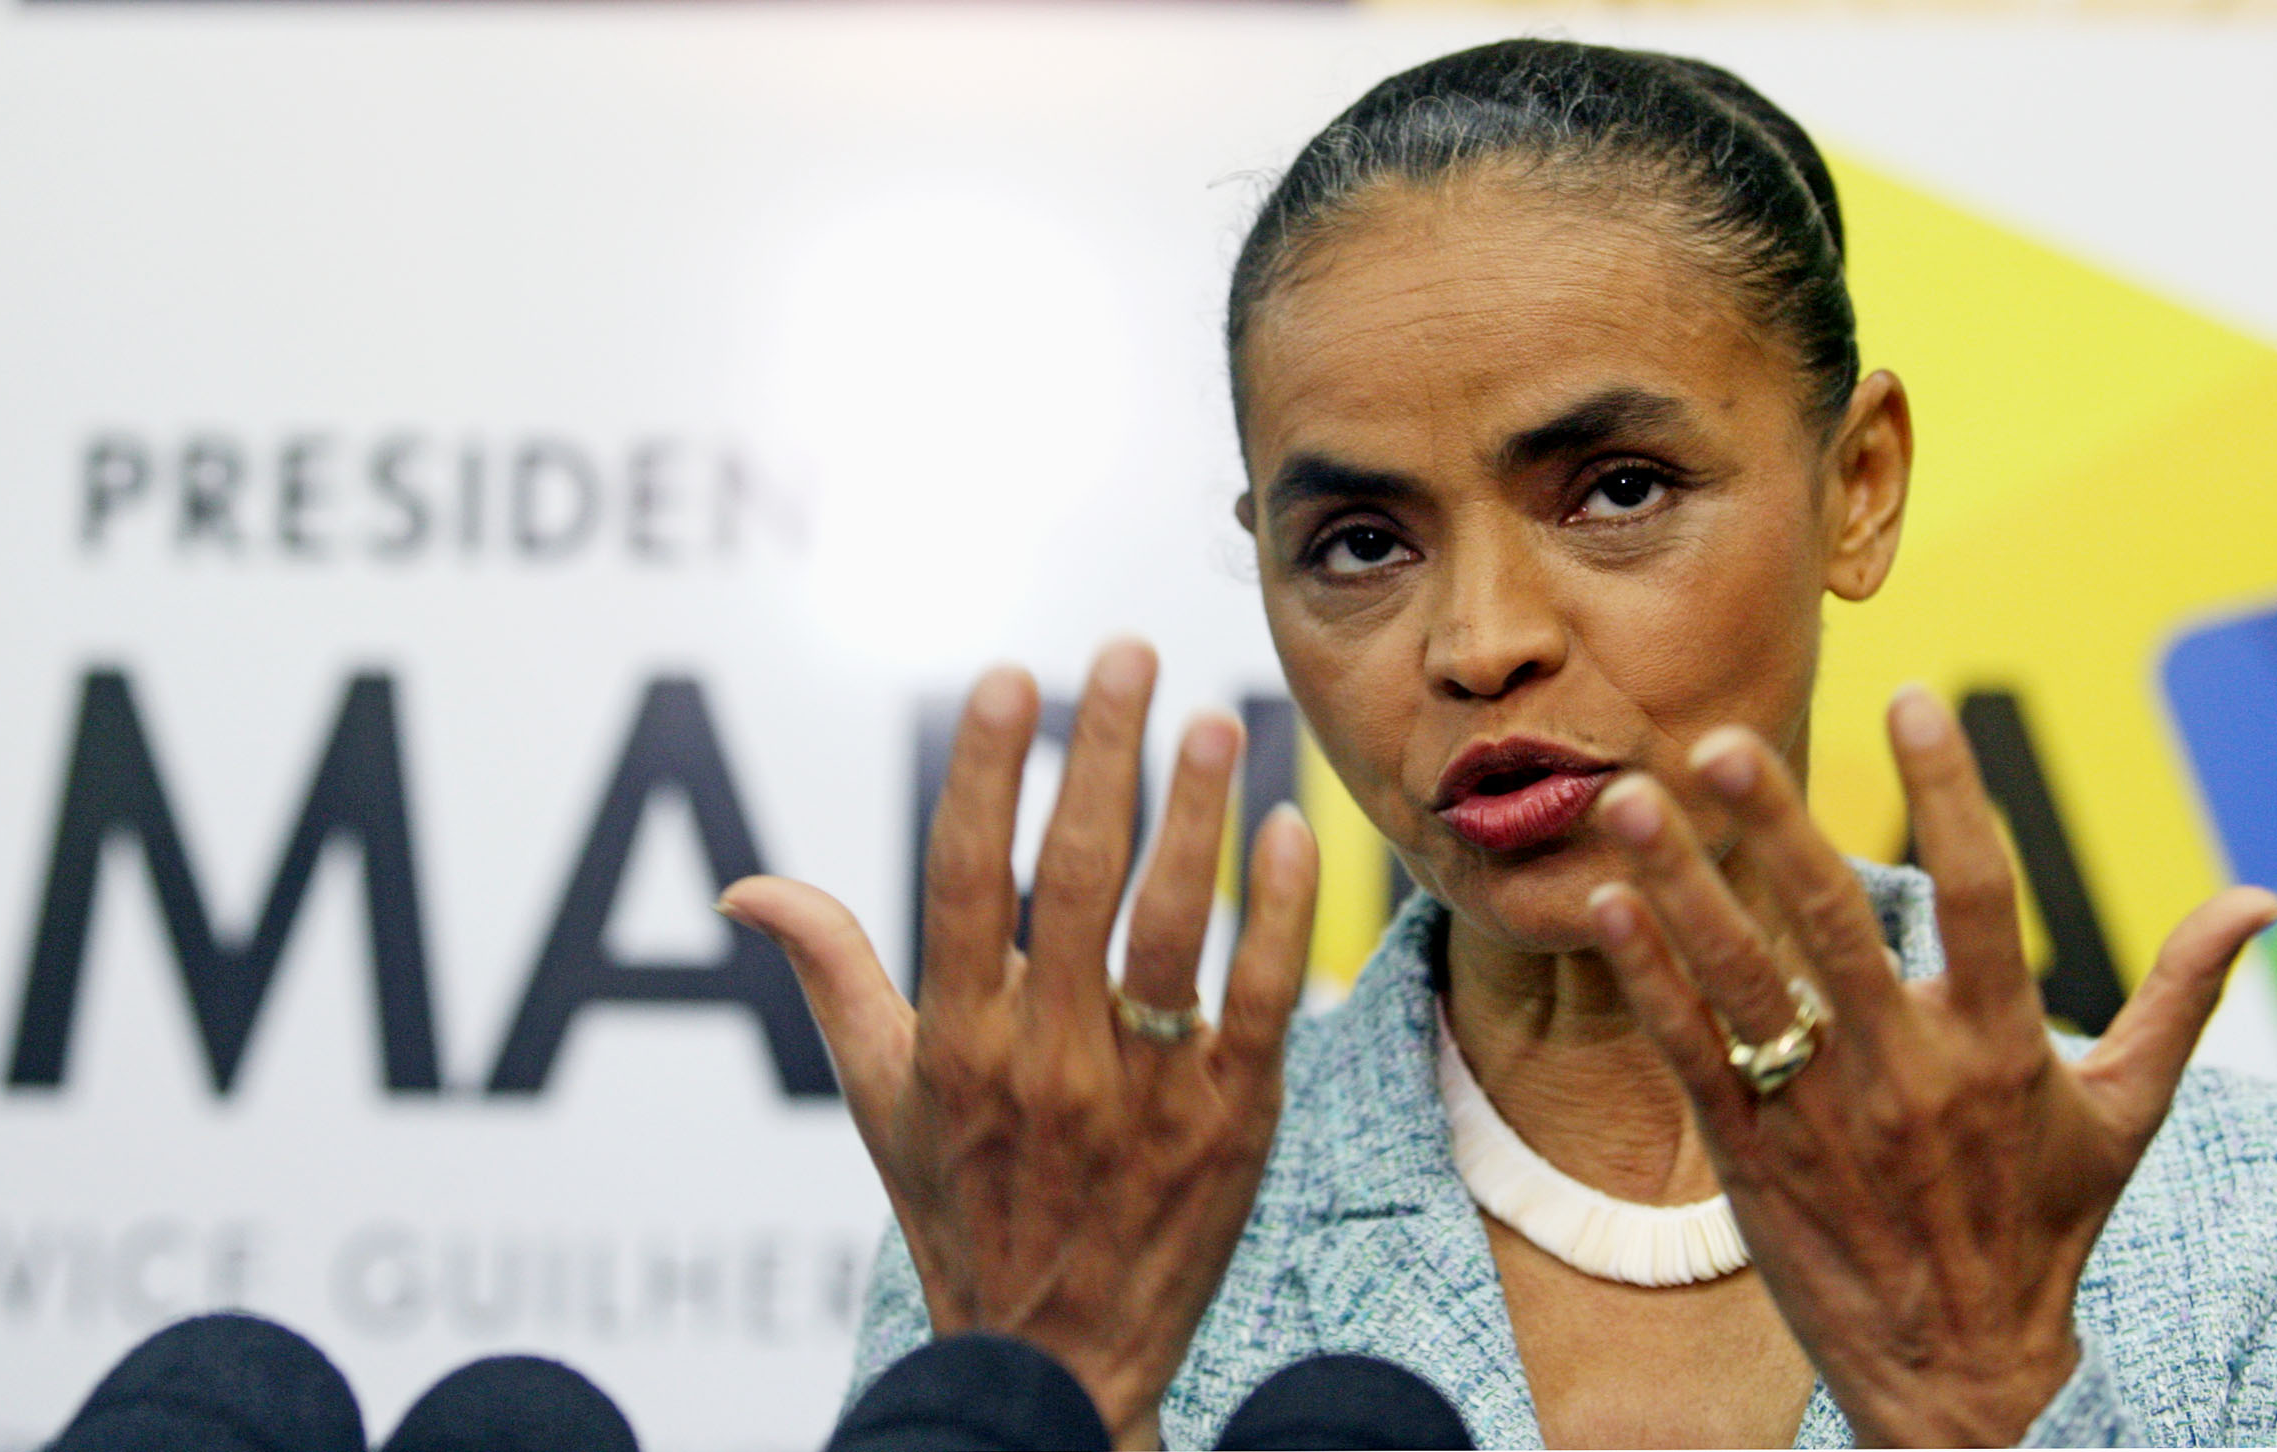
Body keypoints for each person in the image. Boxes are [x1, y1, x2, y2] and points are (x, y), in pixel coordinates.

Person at [718, 39, 2277, 1450]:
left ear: (1856, 487)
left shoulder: (2227, 1229)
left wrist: (1988, 1417)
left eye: (1618, 490)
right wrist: (1066, 1401)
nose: (1478, 642)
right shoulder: (1083, 1220)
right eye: (1360, 544)